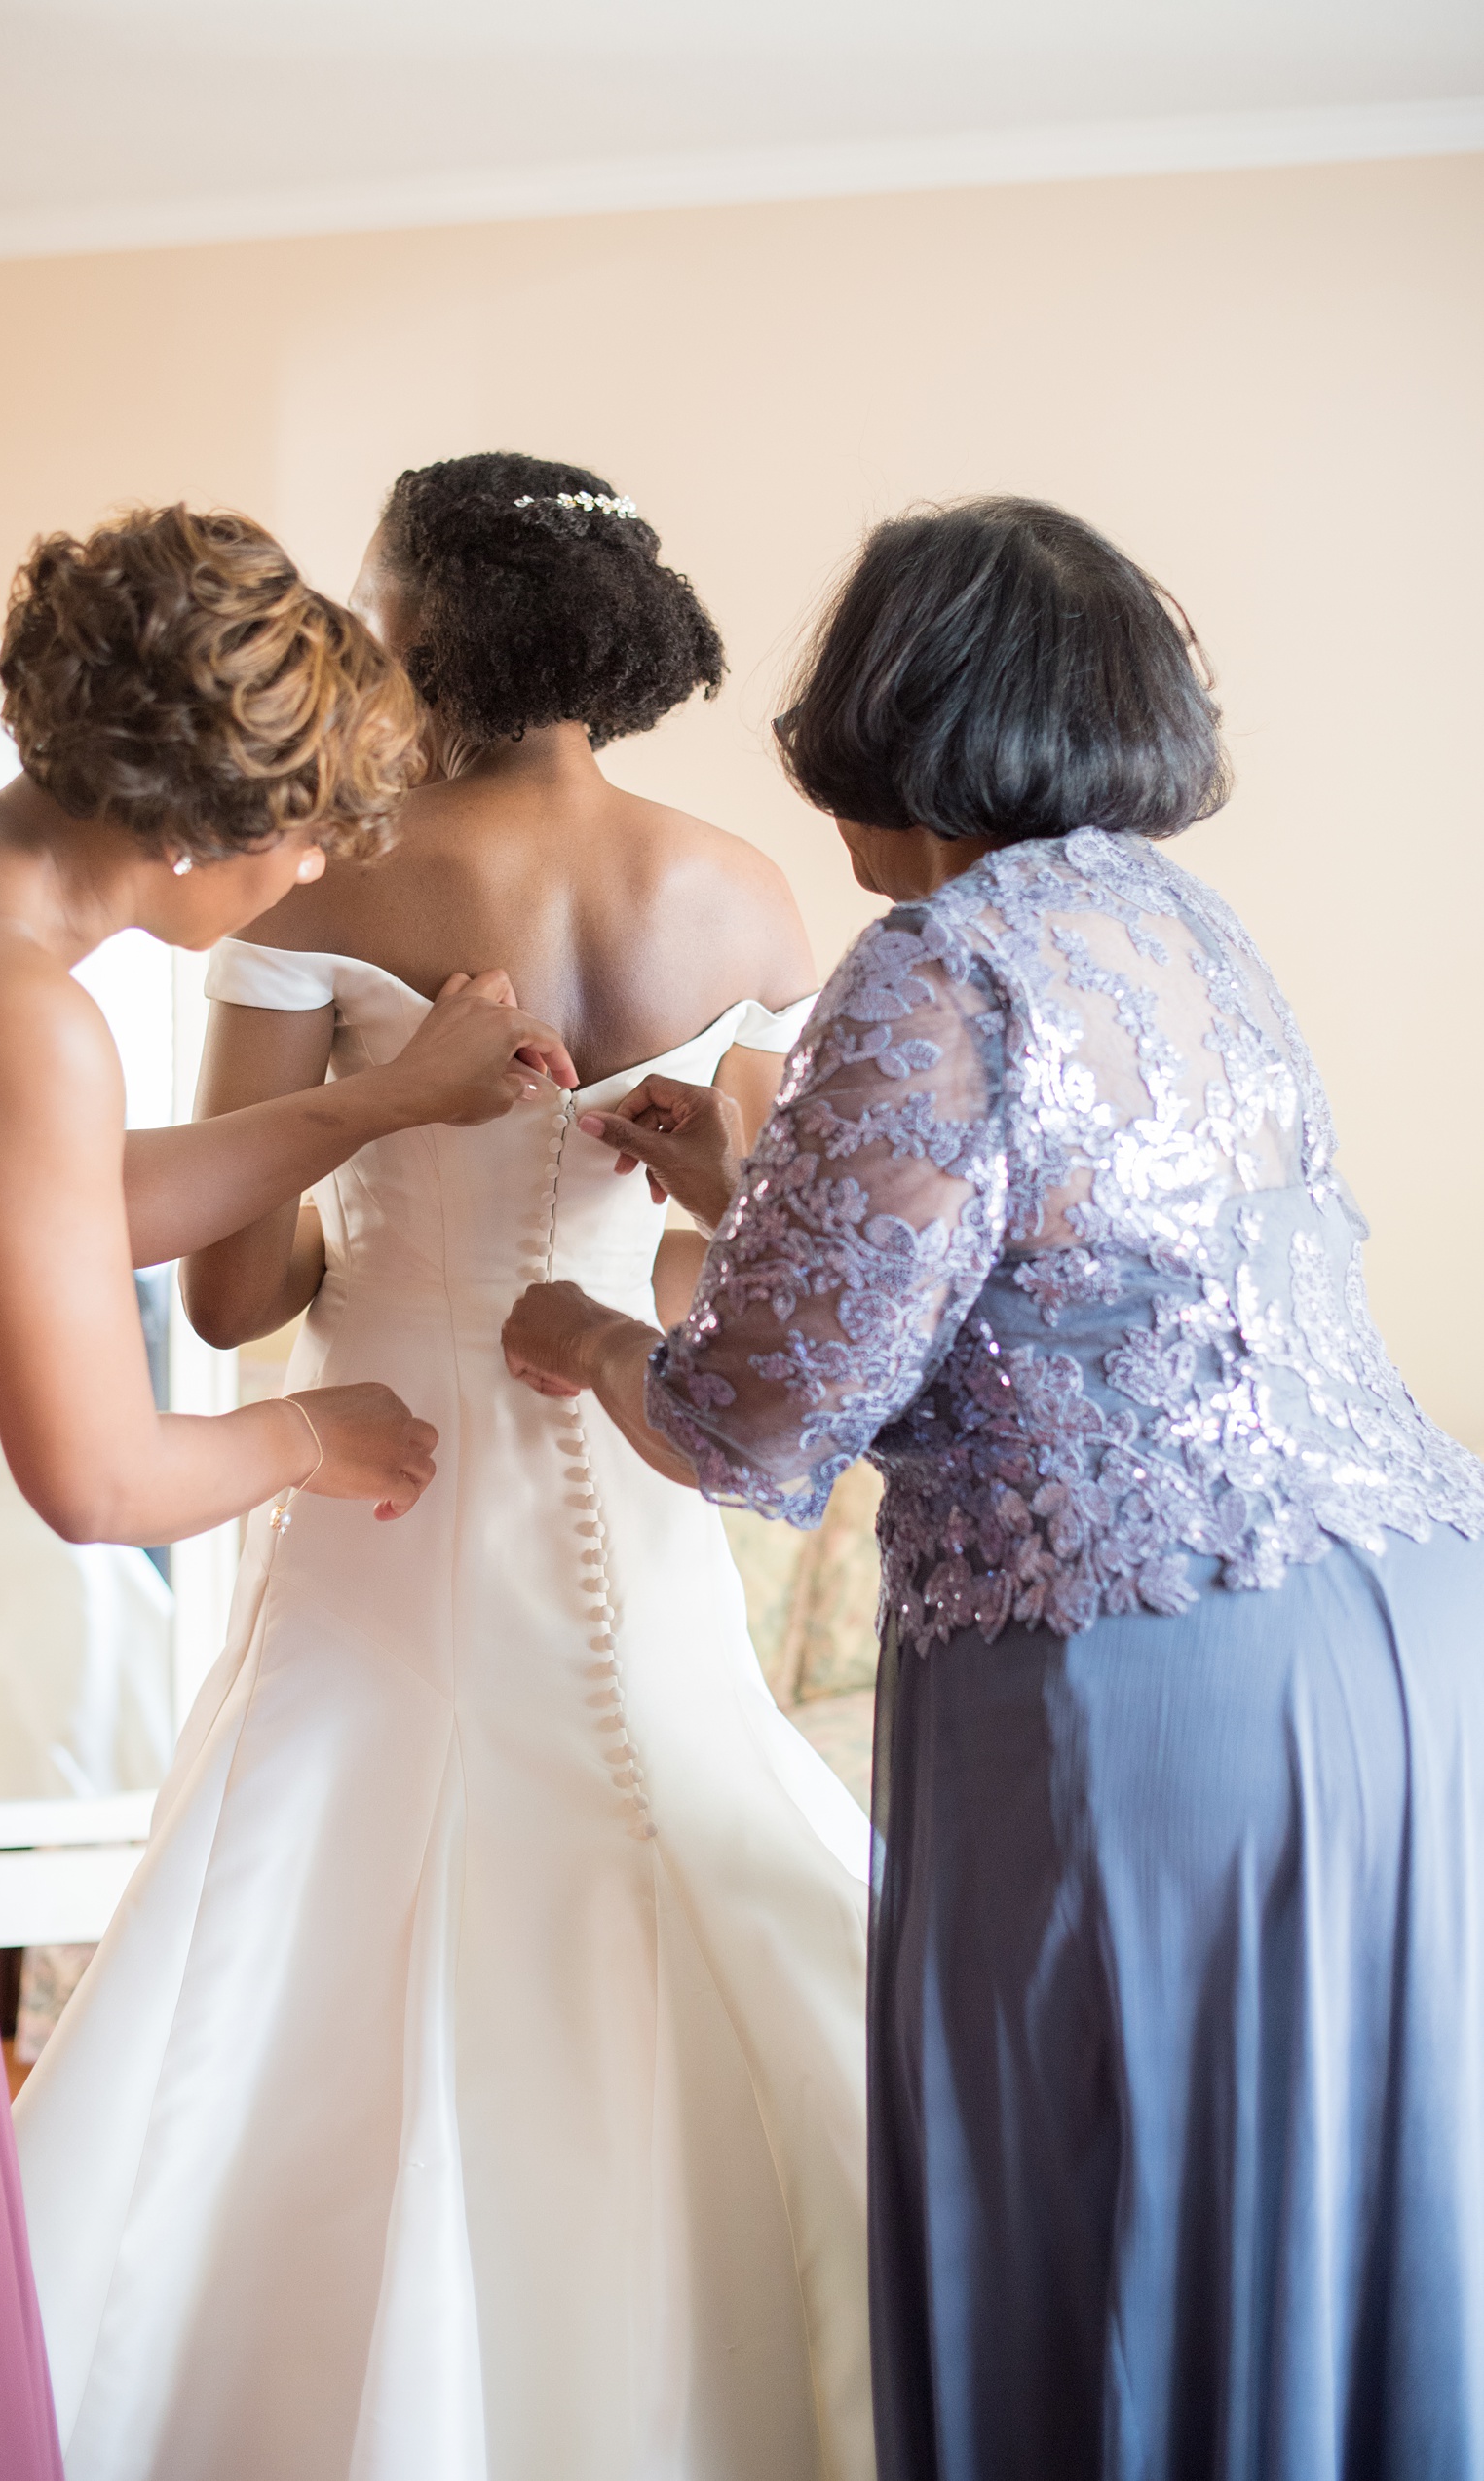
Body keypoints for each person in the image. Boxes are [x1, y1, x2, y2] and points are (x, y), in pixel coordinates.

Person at [504, 496, 1484, 2480]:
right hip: (1389, 1631)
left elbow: (752, 1428)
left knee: (1102, 2198)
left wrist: (586, 1331)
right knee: (1301, 2179)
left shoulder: (933, 963)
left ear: (897, 714)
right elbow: (1057, 1276)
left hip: (1137, 1672)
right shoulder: (1178, 926)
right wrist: (760, 1193)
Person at [13, 453, 875, 2481]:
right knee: (664, 1816)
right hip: (629, 1440)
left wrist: (384, 1237)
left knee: (309, 1886)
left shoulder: (331, 884)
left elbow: (230, 1290)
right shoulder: (747, 890)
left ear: (418, 624)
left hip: (375, 1474)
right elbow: (748, 1252)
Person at [0, 501, 574, 2481]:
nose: (324, 865)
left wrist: (369, 1104)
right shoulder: (23, 1014)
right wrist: (315, 1441)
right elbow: (98, 1473)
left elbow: (27, 1197)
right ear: (194, 828)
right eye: (310, 828)